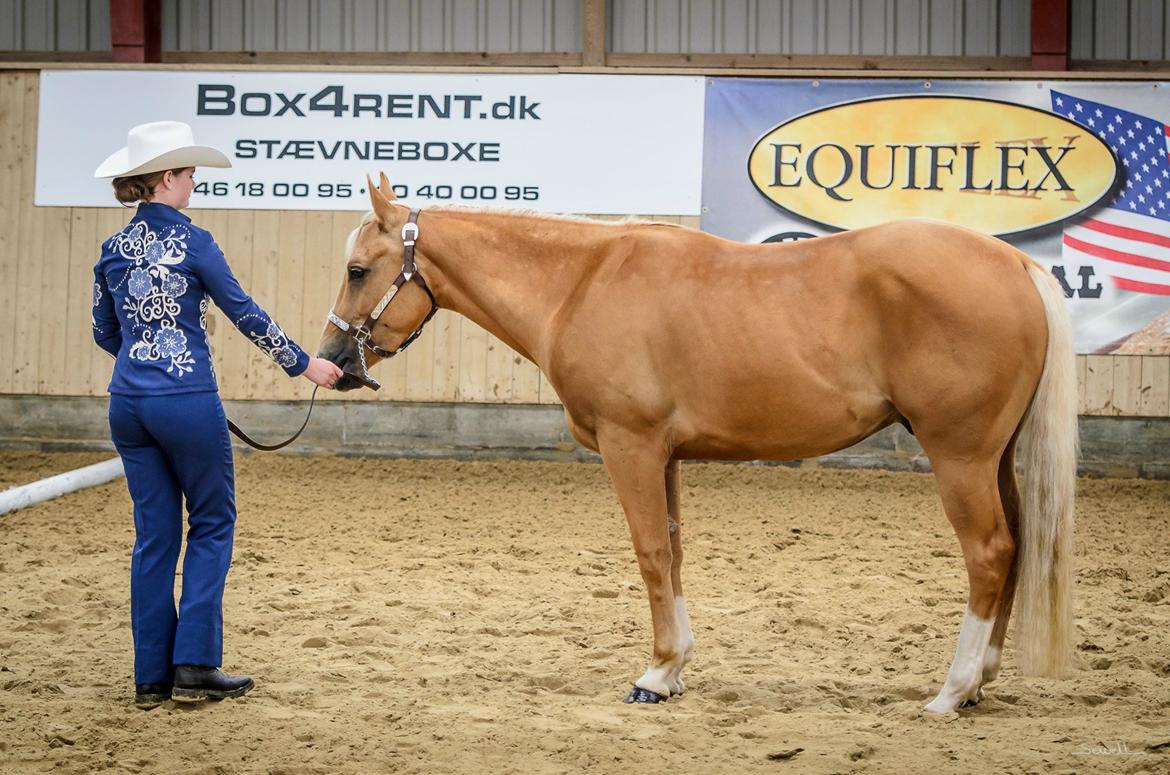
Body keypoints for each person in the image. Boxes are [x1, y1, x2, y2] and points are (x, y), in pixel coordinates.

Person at [91, 121, 343, 710]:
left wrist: (146, 360)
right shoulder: (195, 242)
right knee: (211, 522)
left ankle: (150, 677)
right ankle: (195, 666)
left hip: (128, 404)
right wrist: (303, 364)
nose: (193, 180)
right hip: (186, 401)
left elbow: (107, 333)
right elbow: (243, 312)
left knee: (154, 538)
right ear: (166, 179)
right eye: (187, 172)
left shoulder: (111, 251)